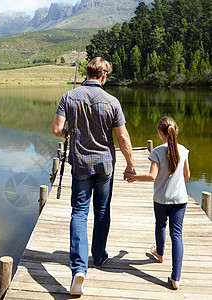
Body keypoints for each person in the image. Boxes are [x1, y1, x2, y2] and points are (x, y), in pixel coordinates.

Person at [52, 57, 135, 295]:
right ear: (104, 76)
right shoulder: (112, 101)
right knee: (101, 211)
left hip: (80, 165)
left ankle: (79, 268)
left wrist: (70, 132)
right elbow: (123, 137)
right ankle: (98, 257)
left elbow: (57, 129)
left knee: (79, 213)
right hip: (105, 166)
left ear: (87, 73)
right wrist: (130, 165)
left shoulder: (69, 97)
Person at [125, 116, 190, 290]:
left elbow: (152, 176)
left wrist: (133, 177)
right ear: (175, 131)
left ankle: (160, 254)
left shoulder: (157, 152)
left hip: (161, 199)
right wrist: (178, 188)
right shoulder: (183, 150)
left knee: (161, 225)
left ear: (160, 132)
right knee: (177, 235)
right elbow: (187, 175)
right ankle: (176, 279)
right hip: (180, 200)